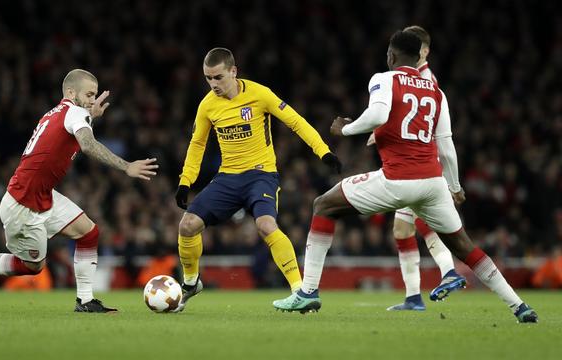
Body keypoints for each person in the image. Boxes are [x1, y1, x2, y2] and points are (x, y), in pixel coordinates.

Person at [273, 31, 538, 323]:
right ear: (418, 56)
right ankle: (519, 306)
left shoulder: (384, 79)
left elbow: (377, 115)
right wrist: (454, 186)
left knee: (323, 204)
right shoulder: (437, 91)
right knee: (464, 246)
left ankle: (308, 290)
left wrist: (345, 130)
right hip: (433, 184)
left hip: (397, 181)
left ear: (392, 55)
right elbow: (446, 147)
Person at [0, 69, 159, 313]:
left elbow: (74, 129)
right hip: (23, 206)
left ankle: (85, 300)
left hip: (42, 196)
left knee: (89, 232)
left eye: (95, 95)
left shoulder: (58, 113)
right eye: (89, 94)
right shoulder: (74, 113)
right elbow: (87, 144)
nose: (93, 100)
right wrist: (126, 166)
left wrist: (90, 114)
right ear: (71, 93)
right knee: (32, 267)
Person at [174, 47, 342, 312]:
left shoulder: (259, 94)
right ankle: (191, 282)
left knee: (265, 225)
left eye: (218, 77)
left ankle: (300, 291)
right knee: (187, 225)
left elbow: (295, 121)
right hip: (227, 177)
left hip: (260, 175)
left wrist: (324, 152)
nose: (213, 84)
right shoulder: (207, 105)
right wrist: (186, 181)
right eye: (208, 78)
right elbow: (197, 144)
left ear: (233, 71)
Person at [367, 26, 466, 311]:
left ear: (426, 51)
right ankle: (414, 296)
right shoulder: (414, 77)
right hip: (420, 164)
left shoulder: (425, 80)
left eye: (421, 48)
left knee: (424, 223)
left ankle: (447, 272)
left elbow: (428, 127)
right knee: (402, 229)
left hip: (419, 164)